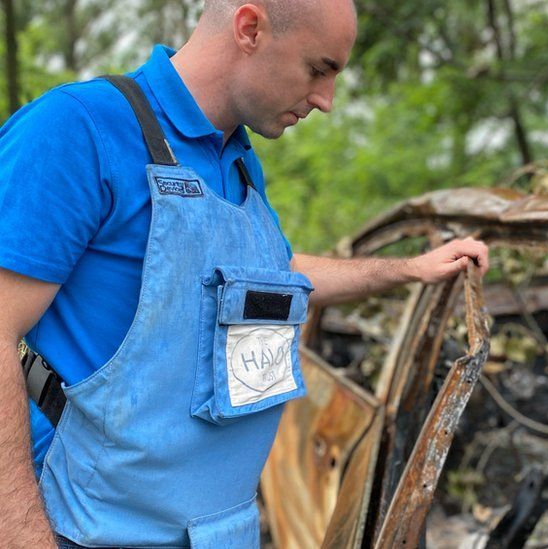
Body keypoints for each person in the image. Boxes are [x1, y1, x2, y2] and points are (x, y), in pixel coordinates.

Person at [0, 0, 488, 547]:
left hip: (221, 530)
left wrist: (409, 270)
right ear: (250, 28)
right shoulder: (78, 129)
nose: (326, 101)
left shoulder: (239, 162)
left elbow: (276, 275)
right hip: (85, 529)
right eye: (319, 69)